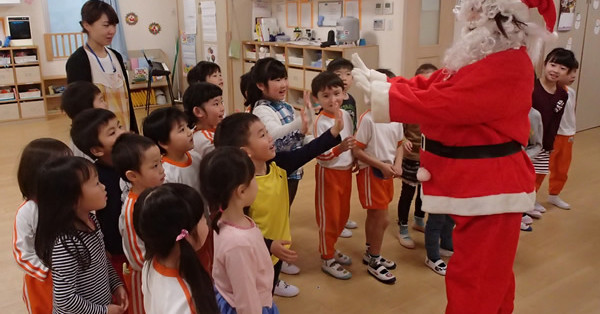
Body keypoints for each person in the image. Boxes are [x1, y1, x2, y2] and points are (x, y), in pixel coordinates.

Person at [351, 0, 558, 311]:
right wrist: (386, 83)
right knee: (490, 276)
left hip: (491, 188)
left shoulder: (508, 64)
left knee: (476, 279)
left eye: (475, 10)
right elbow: (434, 83)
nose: (466, 16)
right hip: (477, 186)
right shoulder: (483, 56)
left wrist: (388, 97)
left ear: (501, 19)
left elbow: (450, 103)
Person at [213, 112, 342, 298]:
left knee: (268, 288)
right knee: (256, 295)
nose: (270, 137)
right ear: (244, 151)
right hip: (255, 254)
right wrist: (269, 245)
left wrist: (333, 132)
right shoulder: (241, 190)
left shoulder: (277, 164)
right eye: (262, 135)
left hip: (277, 249)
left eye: (266, 132)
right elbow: (239, 231)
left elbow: (307, 152)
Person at [34, 156, 128, 314]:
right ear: (72, 199)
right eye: (96, 184)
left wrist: (116, 284)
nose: (103, 187)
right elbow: (65, 299)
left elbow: (102, 259)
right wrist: (103, 311)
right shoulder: (65, 243)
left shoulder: (91, 220)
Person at [200, 147, 280, 314]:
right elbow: (246, 301)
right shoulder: (238, 244)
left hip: (244, 297)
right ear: (242, 191)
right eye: (253, 178)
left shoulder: (223, 218)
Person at [249, 57, 309, 276]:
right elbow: (276, 137)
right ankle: (272, 260)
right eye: (276, 79)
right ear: (260, 85)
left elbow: (299, 138)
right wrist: (301, 124)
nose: (283, 84)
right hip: (276, 171)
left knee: (284, 214)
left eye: (284, 77)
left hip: (292, 171)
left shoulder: (284, 106)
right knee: (273, 217)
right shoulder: (261, 110)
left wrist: (313, 137)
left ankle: (279, 255)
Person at [133, 184, 218, 314]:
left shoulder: (152, 262)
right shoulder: (183, 304)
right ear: (186, 235)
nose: (206, 221)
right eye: (201, 217)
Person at [13, 138, 72, 314]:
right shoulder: (28, 211)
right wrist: (47, 272)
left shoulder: (70, 200)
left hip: (72, 273)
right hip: (44, 280)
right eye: (63, 166)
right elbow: (22, 253)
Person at [71, 108, 128, 282]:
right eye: (112, 133)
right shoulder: (95, 177)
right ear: (97, 150)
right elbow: (87, 214)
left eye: (119, 126)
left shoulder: (131, 160)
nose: (122, 133)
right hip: (116, 247)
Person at [112, 133, 165, 314]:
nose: (162, 169)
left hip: (161, 269)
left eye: (161, 162)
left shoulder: (156, 193)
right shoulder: (132, 209)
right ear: (133, 175)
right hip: (145, 277)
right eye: (155, 166)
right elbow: (137, 257)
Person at [352, 99, 404, 285]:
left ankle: (370, 252)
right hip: (371, 173)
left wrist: (397, 164)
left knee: (375, 216)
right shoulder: (368, 119)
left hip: (387, 172)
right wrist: (381, 165)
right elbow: (357, 151)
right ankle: (374, 259)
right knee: (382, 219)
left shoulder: (396, 118)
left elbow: (399, 144)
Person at [66, 0, 138, 133]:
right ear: (86, 25)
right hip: (98, 137)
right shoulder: (78, 61)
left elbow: (128, 102)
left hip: (124, 133)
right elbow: (78, 110)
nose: (112, 31)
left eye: (114, 25)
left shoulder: (116, 56)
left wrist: (134, 131)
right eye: (106, 25)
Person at [311, 72, 356, 279]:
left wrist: (353, 157)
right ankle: (327, 257)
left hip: (345, 173)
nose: (332, 100)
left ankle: (332, 247)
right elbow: (320, 153)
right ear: (317, 99)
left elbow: (350, 139)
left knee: (341, 216)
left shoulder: (345, 115)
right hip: (328, 174)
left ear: (344, 93)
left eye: (336, 93)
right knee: (329, 217)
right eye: (326, 95)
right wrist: (340, 149)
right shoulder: (321, 121)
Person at [392, 64, 436, 249]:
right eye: (424, 81)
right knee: (408, 192)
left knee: (424, 192)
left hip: (430, 157)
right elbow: (396, 129)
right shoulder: (409, 105)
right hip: (412, 157)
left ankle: (418, 220)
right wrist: (402, 139)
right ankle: (403, 227)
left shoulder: (437, 103)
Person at [530, 48, 576, 215]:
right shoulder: (532, 88)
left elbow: (555, 120)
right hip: (528, 143)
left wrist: (549, 143)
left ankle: (530, 201)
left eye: (562, 68)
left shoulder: (562, 95)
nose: (556, 70)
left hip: (546, 142)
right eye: (553, 64)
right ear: (545, 64)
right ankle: (523, 205)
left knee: (540, 171)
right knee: (526, 174)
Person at [327, 57, 360, 237]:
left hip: (348, 146)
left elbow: (353, 124)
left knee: (346, 191)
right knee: (334, 193)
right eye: (339, 74)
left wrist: (355, 149)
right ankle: (335, 222)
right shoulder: (331, 102)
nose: (345, 78)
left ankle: (343, 217)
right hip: (335, 151)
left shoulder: (351, 99)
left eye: (348, 74)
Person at [143, 107, 201, 193]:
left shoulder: (196, 156)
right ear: (163, 143)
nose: (189, 132)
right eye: (182, 130)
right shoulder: (165, 174)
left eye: (187, 126)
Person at [548, 58, 579, 210]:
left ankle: (554, 194)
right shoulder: (550, 91)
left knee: (562, 167)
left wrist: (572, 130)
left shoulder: (571, 92)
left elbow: (571, 113)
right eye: (570, 72)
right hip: (553, 135)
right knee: (541, 167)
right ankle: (531, 196)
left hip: (568, 135)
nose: (573, 76)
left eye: (575, 72)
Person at [183, 82, 225, 158]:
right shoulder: (206, 140)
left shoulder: (214, 130)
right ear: (198, 111)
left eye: (221, 102)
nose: (222, 108)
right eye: (216, 104)